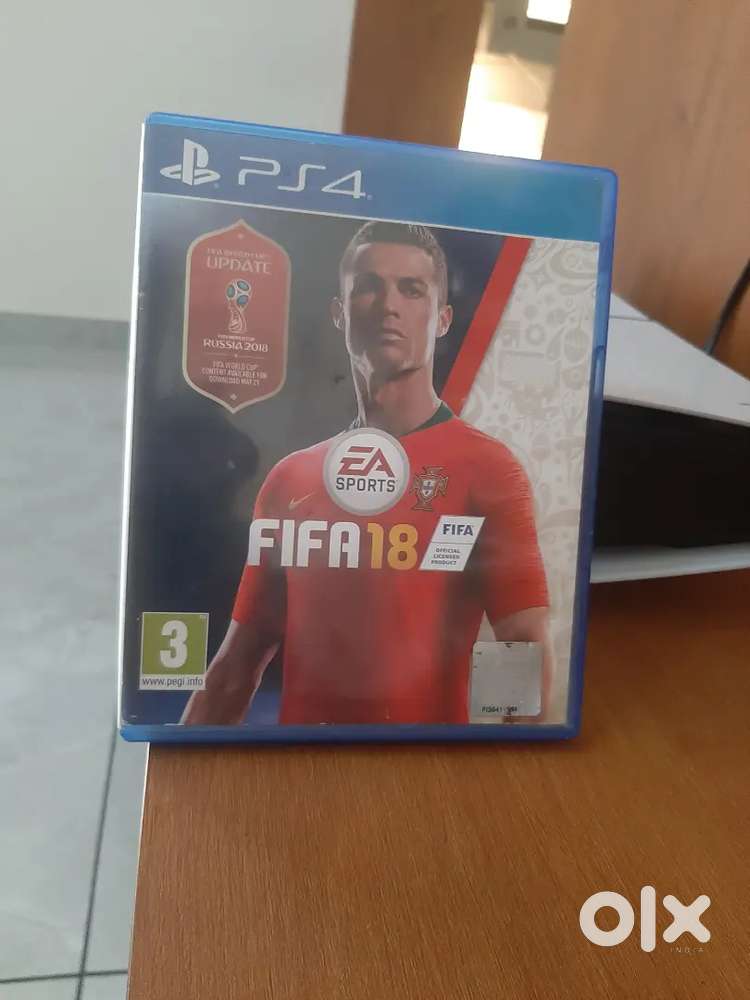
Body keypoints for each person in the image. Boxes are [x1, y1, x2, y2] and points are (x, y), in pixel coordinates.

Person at [183, 221, 549, 726]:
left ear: (442, 319)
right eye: (369, 287)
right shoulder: (290, 480)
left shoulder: (488, 469)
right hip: (304, 766)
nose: (388, 306)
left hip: (428, 767)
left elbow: (523, 647)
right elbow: (235, 668)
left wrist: (498, 771)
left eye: (411, 289)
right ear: (341, 313)